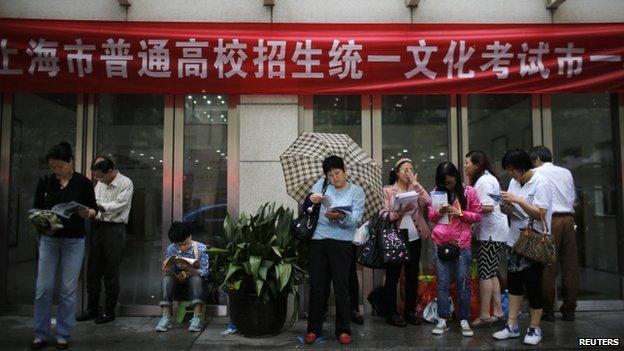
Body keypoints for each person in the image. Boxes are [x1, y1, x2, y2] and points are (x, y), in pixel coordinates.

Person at [31, 142, 98, 350]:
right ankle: (40, 333)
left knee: (68, 289)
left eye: (60, 166)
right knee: (44, 288)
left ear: (71, 162)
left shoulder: (83, 183)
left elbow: (94, 208)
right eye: (53, 167)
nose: (56, 171)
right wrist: (43, 220)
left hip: (74, 240)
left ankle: (63, 333)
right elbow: (36, 210)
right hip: (49, 239)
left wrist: (88, 213)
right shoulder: (45, 181)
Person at [492, 149, 553, 346]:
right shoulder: (514, 182)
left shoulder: (541, 182)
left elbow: (541, 214)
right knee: (515, 285)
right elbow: (514, 210)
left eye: (512, 170)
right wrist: (506, 207)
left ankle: (535, 328)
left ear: (522, 167)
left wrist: (518, 200)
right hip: (515, 240)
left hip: (533, 242)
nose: (510, 174)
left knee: (533, 286)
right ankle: (512, 325)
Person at [304, 155, 365, 346]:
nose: (334, 178)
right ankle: (313, 329)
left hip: (342, 243)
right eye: (330, 175)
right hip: (319, 241)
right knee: (318, 287)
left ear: (344, 171)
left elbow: (356, 218)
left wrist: (340, 216)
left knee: (342, 288)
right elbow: (307, 208)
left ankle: (343, 330)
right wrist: (310, 200)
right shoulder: (321, 185)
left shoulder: (357, 191)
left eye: (337, 173)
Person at [77, 156, 134, 324]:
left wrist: (98, 205)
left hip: (115, 229)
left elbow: (119, 205)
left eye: (100, 176)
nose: (98, 180)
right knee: (93, 270)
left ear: (110, 171)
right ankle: (92, 309)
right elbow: (94, 203)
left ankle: (109, 312)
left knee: (111, 271)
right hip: (97, 227)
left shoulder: (125, 183)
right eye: (96, 177)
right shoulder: (100, 183)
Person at [428, 162, 482, 337]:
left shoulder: (468, 192)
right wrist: (439, 212)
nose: (447, 186)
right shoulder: (437, 191)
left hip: (462, 243)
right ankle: (443, 318)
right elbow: (431, 216)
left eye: (450, 182)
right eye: (444, 183)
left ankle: (464, 319)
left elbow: (478, 215)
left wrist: (460, 213)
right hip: (440, 242)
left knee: (462, 282)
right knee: (442, 283)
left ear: (456, 178)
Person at [381, 158, 431, 327]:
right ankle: (391, 313)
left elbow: (427, 201)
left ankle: (409, 311)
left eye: (411, 169)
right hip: (395, 238)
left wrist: (416, 183)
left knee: (412, 276)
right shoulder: (388, 190)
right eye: (404, 170)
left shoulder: (414, 189)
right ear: (397, 173)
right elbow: (383, 214)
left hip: (414, 237)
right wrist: (400, 212)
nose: (408, 172)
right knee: (392, 277)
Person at [530, 146, 578, 322]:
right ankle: (569, 310)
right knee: (570, 266)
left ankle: (547, 310)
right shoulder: (566, 172)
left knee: (547, 266)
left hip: (550, 220)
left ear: (535, 159)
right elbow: (572, 198)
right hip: (568, 219)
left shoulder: (535, 173)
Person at [464, 151, 508, 327]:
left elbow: (488, 206)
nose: (466, 166)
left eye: (468, 163)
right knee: (491, 273)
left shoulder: (484, 181)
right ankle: (497, 312)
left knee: (485, 274)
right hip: (493, 232)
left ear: (477, 165)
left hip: (491, 233)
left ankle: (484, 315)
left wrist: (465, 208)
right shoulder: (487, 179)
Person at [155, 221, 210, 333]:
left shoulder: (200, 248)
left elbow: (205, 272)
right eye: (178, 244)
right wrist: (170, 271)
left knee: (196, 280)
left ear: (190, 236)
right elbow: (170, 269)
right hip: (178, 281)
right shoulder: (172, 248)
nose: (182, 247)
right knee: (166, 280)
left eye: (184, 243)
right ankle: (166, 317)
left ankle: (197, 317)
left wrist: (190, 269)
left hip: (195, 281)